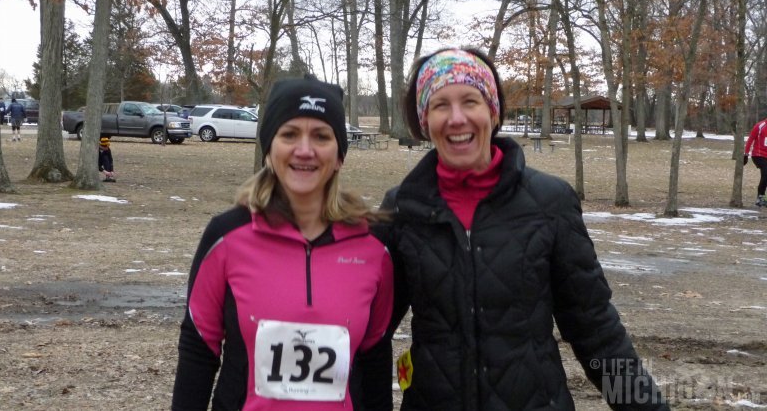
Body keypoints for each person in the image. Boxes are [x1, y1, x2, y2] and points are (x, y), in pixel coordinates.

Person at [378, 47, 669, 410]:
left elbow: (595, 331)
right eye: (440, 105)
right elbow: (371, 333)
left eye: (470, 101)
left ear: (493, 111)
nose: (456, 118)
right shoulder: (402, 208)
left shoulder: (550, 202)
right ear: (424, 121)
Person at [171, 76, 394, 411]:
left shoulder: (373, 247)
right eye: (289, 134)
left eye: (321, 136)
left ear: (339, 156)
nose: (304, 150)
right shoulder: (226, 237)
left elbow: (375, 357)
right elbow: (198, 350)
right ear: (269, 149)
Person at [744, 115, 767, 207]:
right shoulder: (760, 126)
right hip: (758, 155)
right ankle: (760, 197)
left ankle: (762, 198)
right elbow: (750, 139)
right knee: (766, 173)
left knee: (765, 176)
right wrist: (746, 154)